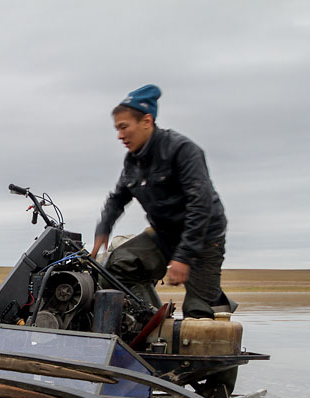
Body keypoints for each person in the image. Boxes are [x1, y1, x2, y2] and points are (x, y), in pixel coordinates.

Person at [90, 84, 235, 321]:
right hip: (164, 234)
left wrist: (183, 257)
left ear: (146, 121)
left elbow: (201, 206)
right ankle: (153, 321)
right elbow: (117, 198)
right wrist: (103, 229)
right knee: (118, 266)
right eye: (117, 129)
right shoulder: (133, 161)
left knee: (198, 314)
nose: (119, 135)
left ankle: (214, 300)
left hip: (204, 237)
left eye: (124, 127)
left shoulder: (182, 150)